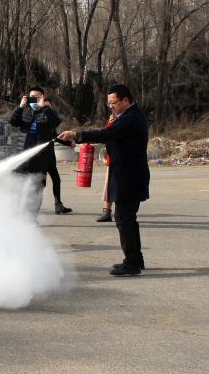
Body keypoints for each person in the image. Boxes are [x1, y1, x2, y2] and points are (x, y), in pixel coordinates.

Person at [60, 84, 150, 277]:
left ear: (125, 100)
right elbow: (110, 136)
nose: (111, 106)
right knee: (128, 219)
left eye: (113, 103)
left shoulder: (131, 118)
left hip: (130, 177)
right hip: (126, 174)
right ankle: (136, 259)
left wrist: (77, 134)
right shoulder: (126, 116)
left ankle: (132, 263)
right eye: (109, 103)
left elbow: (106, 134)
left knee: (124, 219)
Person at [9, 86, 69, 214]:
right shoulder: (24, 110)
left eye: (37, 97)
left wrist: (45, 108)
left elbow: (56, 123)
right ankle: (14, 213)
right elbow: (12, 121)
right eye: (32, 97)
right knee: (17, 185)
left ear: (42, 97)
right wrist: (20, 107)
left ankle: (31, 216)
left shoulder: (47, 111)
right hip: (23, 156)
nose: (34, 100)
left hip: (41, 158)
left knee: (37, 188)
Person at [42, 98, 72, 214]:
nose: (47, 109)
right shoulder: (38, 123)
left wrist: (68, 143)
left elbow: (55, 137)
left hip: (50, 157)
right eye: (45, 107)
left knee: (56, 180)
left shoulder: (50, 123)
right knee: (40, 183)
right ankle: (32, 206)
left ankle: (58, 204)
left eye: (49, 107)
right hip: (40, 158)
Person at [96, 112, 117, 223]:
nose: (112, 106)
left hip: (121, 160)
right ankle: (107, 211)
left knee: (116, 187)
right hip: (112, 158)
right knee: (109, 186)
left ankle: (110, 212)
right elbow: (106, 134)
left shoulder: (128, 118)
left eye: (113, 104)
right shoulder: (114, 119)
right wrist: (111, 123)